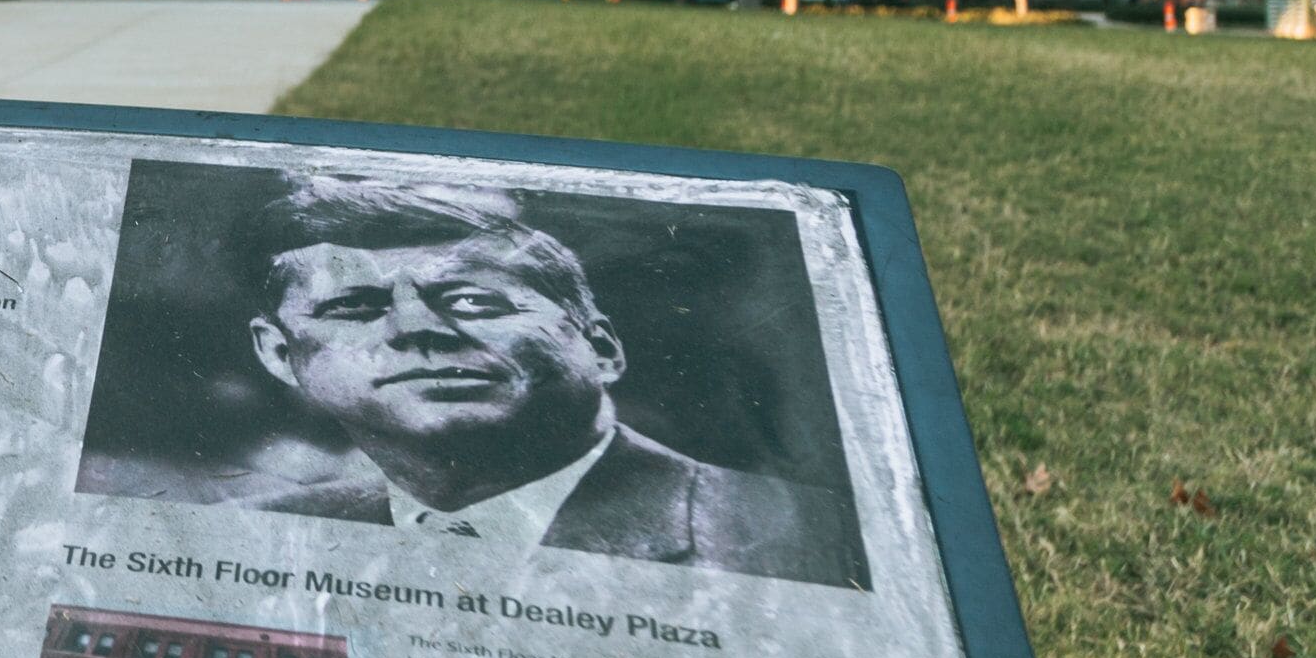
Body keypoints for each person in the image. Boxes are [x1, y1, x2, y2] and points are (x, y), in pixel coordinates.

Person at [239, 180, 864, 589]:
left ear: (600, 346)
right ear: (278, 354)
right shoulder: (251, 533)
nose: (416, 330)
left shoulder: (805, 544)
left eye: (475, 301)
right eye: (353, 309)